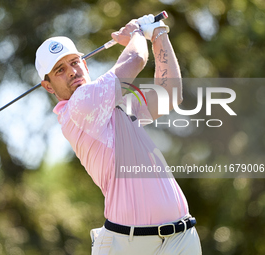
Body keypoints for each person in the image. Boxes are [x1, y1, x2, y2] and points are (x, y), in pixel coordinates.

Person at [35, 13, 202, 255]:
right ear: (48, 85)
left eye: (75, 61)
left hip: (181, 239)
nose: (72, 71)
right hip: (131, 245)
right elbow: (135, 58)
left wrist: (158, 33)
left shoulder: (118, 105)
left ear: (85, 63)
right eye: (60, 70)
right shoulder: (79, 106)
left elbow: (170, 94)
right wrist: (136, 32)